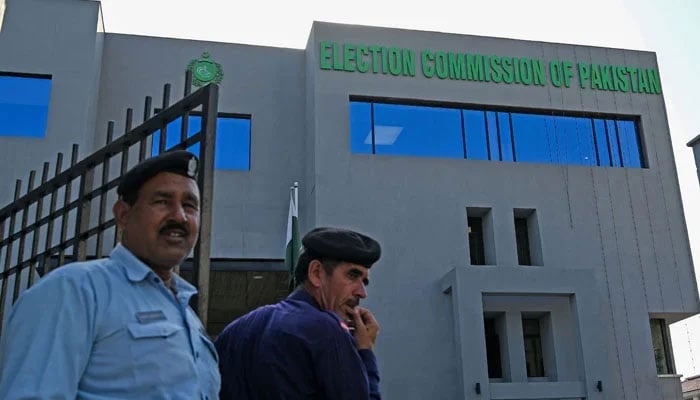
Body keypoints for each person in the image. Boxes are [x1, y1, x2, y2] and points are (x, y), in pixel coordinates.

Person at [0, 150, 221, 399]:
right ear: (123, 215)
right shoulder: (74, 290)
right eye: (162, 201)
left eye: (189, 206)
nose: (179, 216)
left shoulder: (188, 316)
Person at [215, 226, 383, 400]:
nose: (362, 292)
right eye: (353, 275)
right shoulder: (326, 329)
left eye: (364, 282)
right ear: (316, 273)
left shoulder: (235, 331)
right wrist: (365, 351)